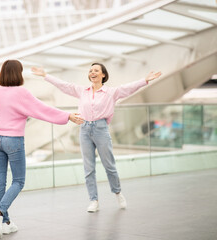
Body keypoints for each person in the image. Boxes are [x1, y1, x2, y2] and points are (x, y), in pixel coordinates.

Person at [0, 59, 84, 237]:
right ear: (18, 73)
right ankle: (0, 212)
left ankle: (5, 222)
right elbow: (42, 109)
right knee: (18, 181)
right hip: (13, 141)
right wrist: (68, 116)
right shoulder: (22, 93)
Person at [32, 63, 161, 212]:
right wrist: (45, 75)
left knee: (109, 165)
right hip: (84, 129)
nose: (92, 72)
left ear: (103, 75)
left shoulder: (111, 92)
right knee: (88, 168)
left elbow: (128, 88)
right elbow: (64, 85)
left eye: (96, 70)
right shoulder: (82, 91)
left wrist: (145, 80)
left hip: (101, 129)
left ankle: (117, 192)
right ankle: (93, 200)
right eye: (91, 71)